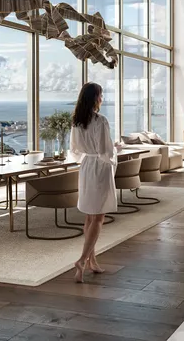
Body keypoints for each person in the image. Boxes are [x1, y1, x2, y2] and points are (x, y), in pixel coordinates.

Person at [69, 82, 119, 282]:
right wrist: (115, 152)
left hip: (86, 166)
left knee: (90, 217)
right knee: (98, 218)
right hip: (99, 168)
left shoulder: (76, 121)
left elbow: (75, 150)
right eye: (100, 95)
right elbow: (106, 152)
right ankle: (81, 260)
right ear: (94, 98)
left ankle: (92, 260)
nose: (102, 98)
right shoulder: (101, 121)